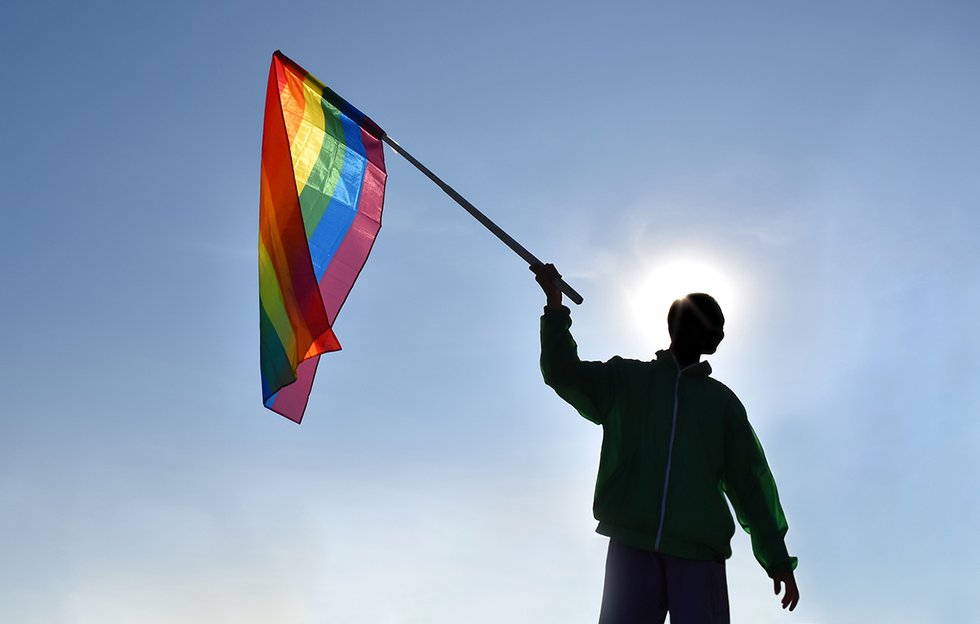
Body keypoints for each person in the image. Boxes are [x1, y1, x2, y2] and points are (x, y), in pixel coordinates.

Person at [531, 262, 799, 624]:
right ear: (676, 327)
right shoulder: (626, 380)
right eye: (702, 322)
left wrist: (777, 560)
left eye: (712, 326)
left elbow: (751, 485)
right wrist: (555, 306)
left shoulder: (722, 405)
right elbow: (562, 372)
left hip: (698, 553)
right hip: (631, 544)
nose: (709, 332)